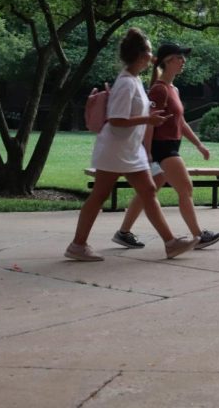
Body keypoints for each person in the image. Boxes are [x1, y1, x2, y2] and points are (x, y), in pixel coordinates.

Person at [65, 29, 198, 261]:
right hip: (115, 149)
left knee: (148, 191)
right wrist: (149, 119)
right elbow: (116, 119)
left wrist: (149, 114)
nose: (152, 54)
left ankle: (171, 243)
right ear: (141, 55)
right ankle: (77, 245)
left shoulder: (134, 80)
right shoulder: (126, 83)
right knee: (99, 195)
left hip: (129, 149)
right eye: (149, 49)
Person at [111, 42, 219, 251]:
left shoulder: (174, 89)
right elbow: (149, 123)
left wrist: (199, 145)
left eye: (183, 58)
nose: (184, 61)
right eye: (179, 57)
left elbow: (179, 122)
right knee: (186, 188)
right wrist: (148, 153)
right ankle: (199, 236)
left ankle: (123, 233)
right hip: (162, 148)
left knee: (147, 193)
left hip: (172, 144)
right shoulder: (159, 90)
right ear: (167, 61)